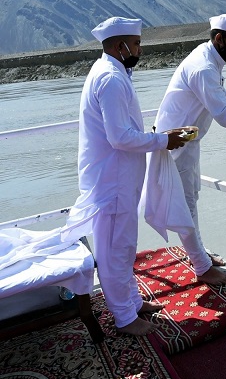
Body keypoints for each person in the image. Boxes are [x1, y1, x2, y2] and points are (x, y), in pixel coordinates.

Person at [63, 17, 188, 336]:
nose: (140, 49)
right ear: (120, 47)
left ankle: (131, 302)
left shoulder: (113, 72)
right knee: (115, 249)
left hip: (118, 178)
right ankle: (124, 317)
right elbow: (119, 137)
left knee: (123, 244)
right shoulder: (111, 80)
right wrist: (163, 140)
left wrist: (158, 138)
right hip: (113, 180)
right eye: (136, 44)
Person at [153, 14, 226, 286]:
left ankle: (200, 255)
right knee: (186, 205)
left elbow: (221, 94)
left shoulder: (209, 58)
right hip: (176, 143)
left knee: (191, 197)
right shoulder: (204, 67)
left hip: (188, 140)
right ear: (219, 39)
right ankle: (202, 267)